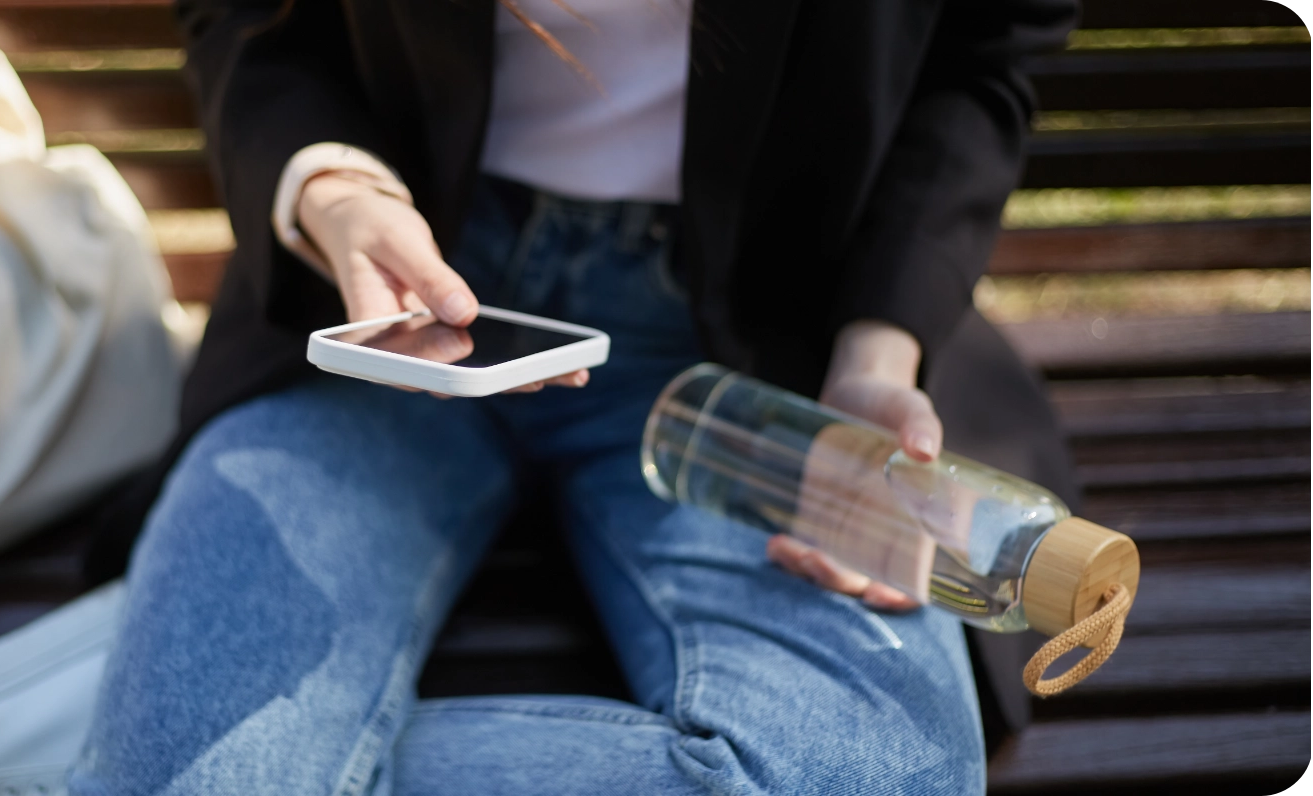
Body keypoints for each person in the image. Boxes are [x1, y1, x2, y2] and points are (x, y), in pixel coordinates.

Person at [73, 0, 1079, 793]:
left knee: (881, 775)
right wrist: (335, 190)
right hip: (386, 308)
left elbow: (981, 52)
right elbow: (246, 15)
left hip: (757, 347)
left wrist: (875, 353)